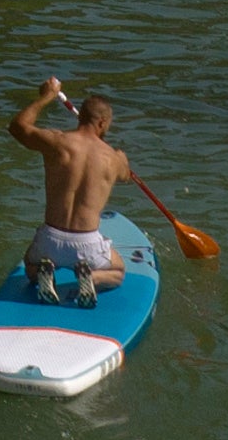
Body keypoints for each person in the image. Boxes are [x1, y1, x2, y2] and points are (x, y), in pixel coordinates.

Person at [7, 74, 135, 299]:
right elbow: (126, 176)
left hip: (49, 239)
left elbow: (17, 127)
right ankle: (92, 277)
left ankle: (42, 272)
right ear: (103, 123)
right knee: (118, 272)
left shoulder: (57, 142)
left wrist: (47, 97)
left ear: (80, 117)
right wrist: (123, 160)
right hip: (87, 245)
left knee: (29, 266)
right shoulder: (113, 159)